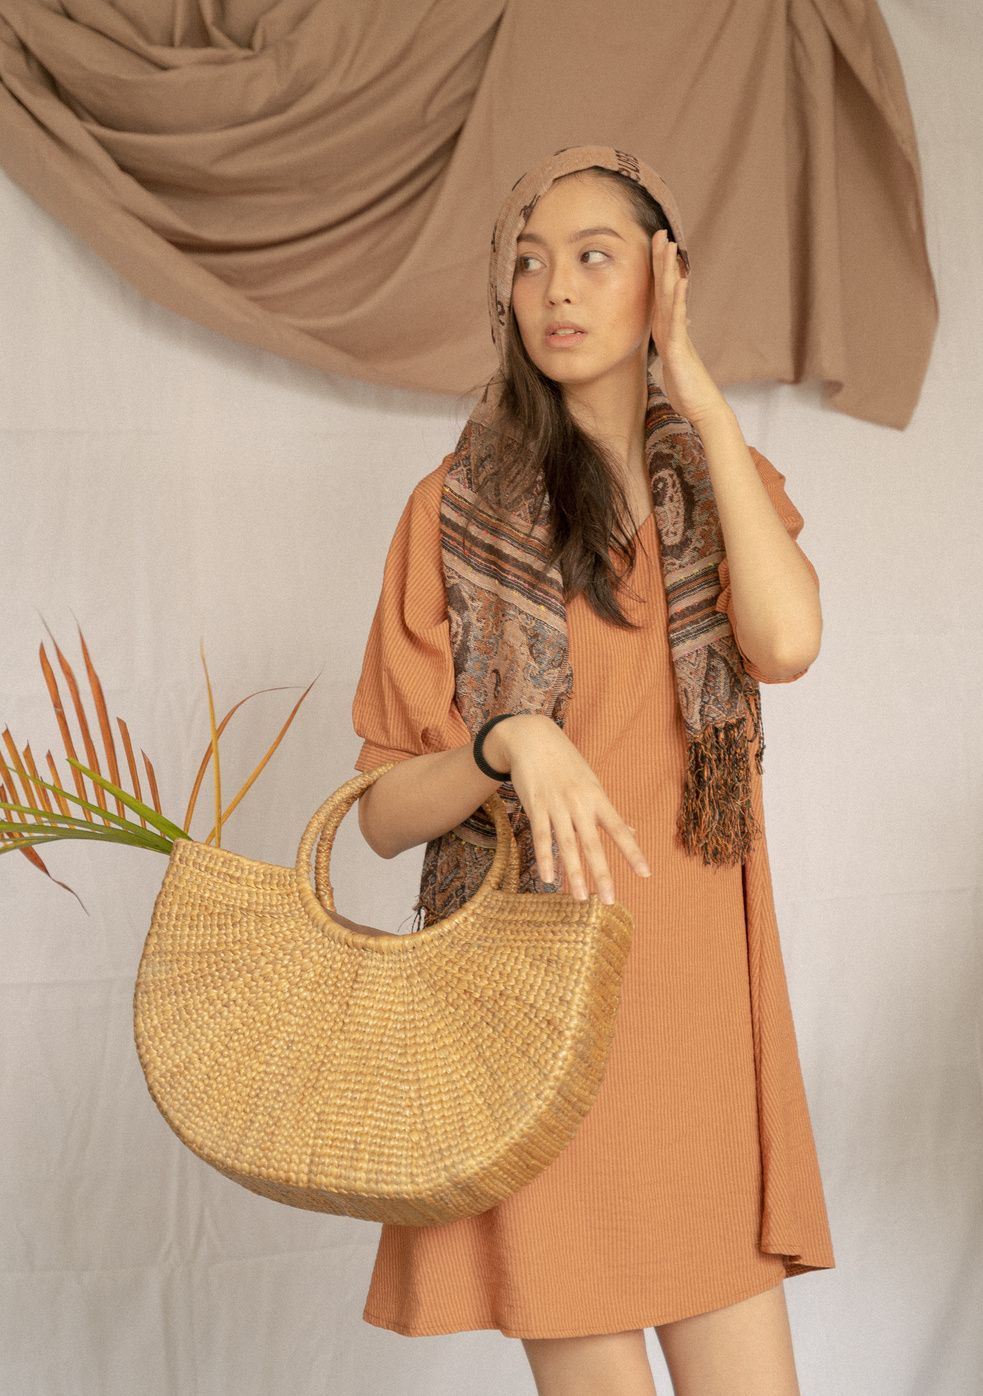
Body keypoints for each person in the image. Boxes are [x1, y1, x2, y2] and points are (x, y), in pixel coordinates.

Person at [351, 146, 833, 1396]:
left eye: (592, 255)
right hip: (539, 1033)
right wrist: (508, 737)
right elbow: (385, 816)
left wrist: (702, 400)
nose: (553, 287)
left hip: (698, 1033)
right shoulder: (452, 510)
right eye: (527, 261)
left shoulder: (718, 484)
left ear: (661, 280)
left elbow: (782, 642)